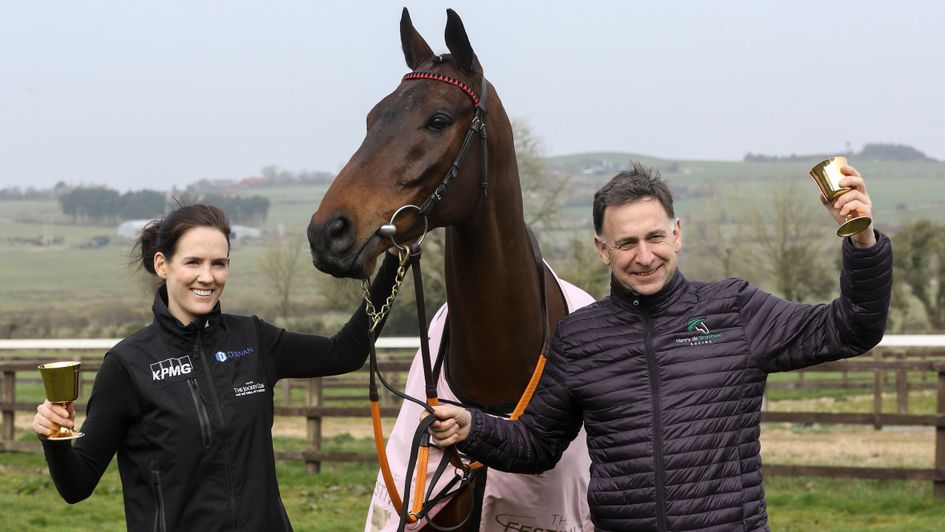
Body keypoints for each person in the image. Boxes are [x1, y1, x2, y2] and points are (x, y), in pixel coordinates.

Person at [428, 161, 892, 531]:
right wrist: (473, 428)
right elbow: (536, 445)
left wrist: (862, 237)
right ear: (602, 250)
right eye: (625, 243)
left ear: (677, 234)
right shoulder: (578, 337)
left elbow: (853, 327)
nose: (644, 256)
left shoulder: (734, 308)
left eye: (654, 237)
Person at [32, 204, 399, 531]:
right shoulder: (128, 365)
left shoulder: (252, 339)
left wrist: (396, 261)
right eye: (193, 262)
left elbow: (345, 352)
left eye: (218, 264)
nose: (207, 277)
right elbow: (77, 486)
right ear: (163, 264)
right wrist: (55, 438)